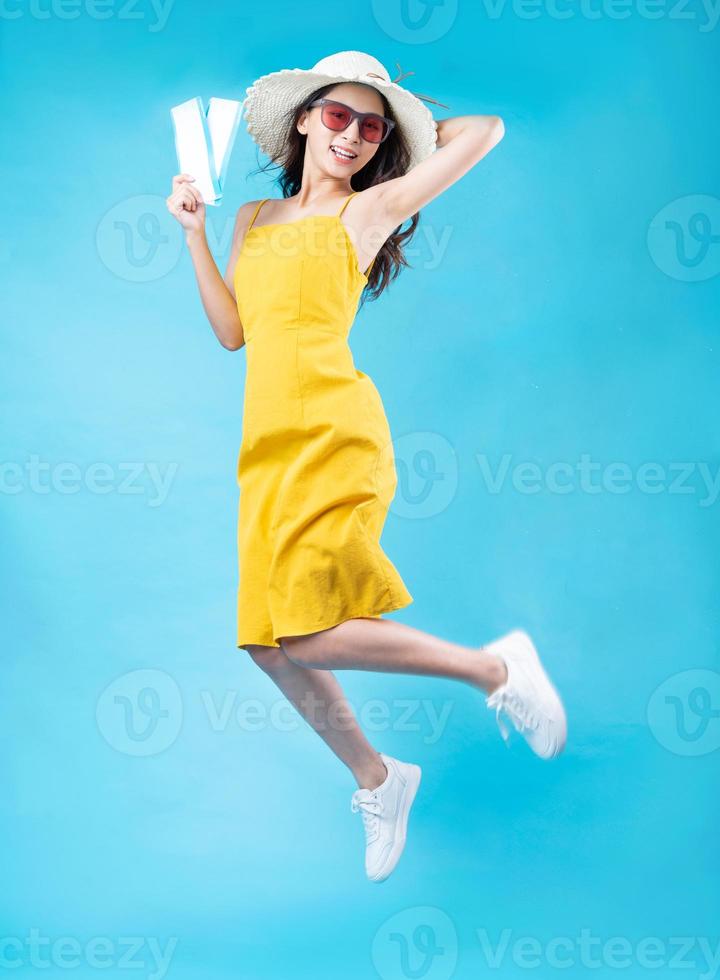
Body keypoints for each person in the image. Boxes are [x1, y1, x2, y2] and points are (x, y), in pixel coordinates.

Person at [167, 50, 567, 883]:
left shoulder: (371, 210)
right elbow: (233, 332)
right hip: (266, 443)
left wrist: (404, 120)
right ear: (305, 118)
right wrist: (192, 235)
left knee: (309, 632)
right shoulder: (248, 219)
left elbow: (484, 130)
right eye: (338, 116)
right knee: (267, 644)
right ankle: (379, 779)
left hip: (334, 430)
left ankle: (496, 667)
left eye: (369, 125)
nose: (351, 135)